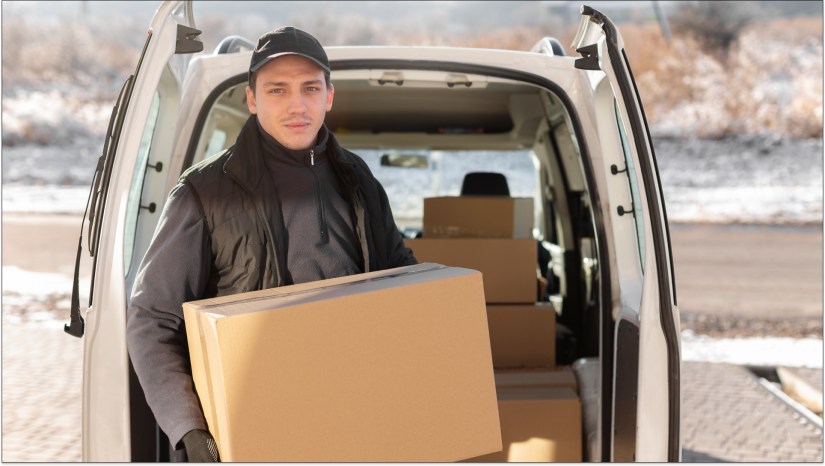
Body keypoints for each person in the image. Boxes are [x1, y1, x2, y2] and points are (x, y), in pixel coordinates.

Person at [126, 27, 417, 462]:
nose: (297, 106)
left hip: (350, 420)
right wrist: (188, 429)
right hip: (246, 430)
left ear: (329, 97)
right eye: (277, 89)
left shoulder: (359, 181)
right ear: (252, 99)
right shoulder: (204, 192)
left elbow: (404, 279)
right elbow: (151, 319)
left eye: (310, 89)